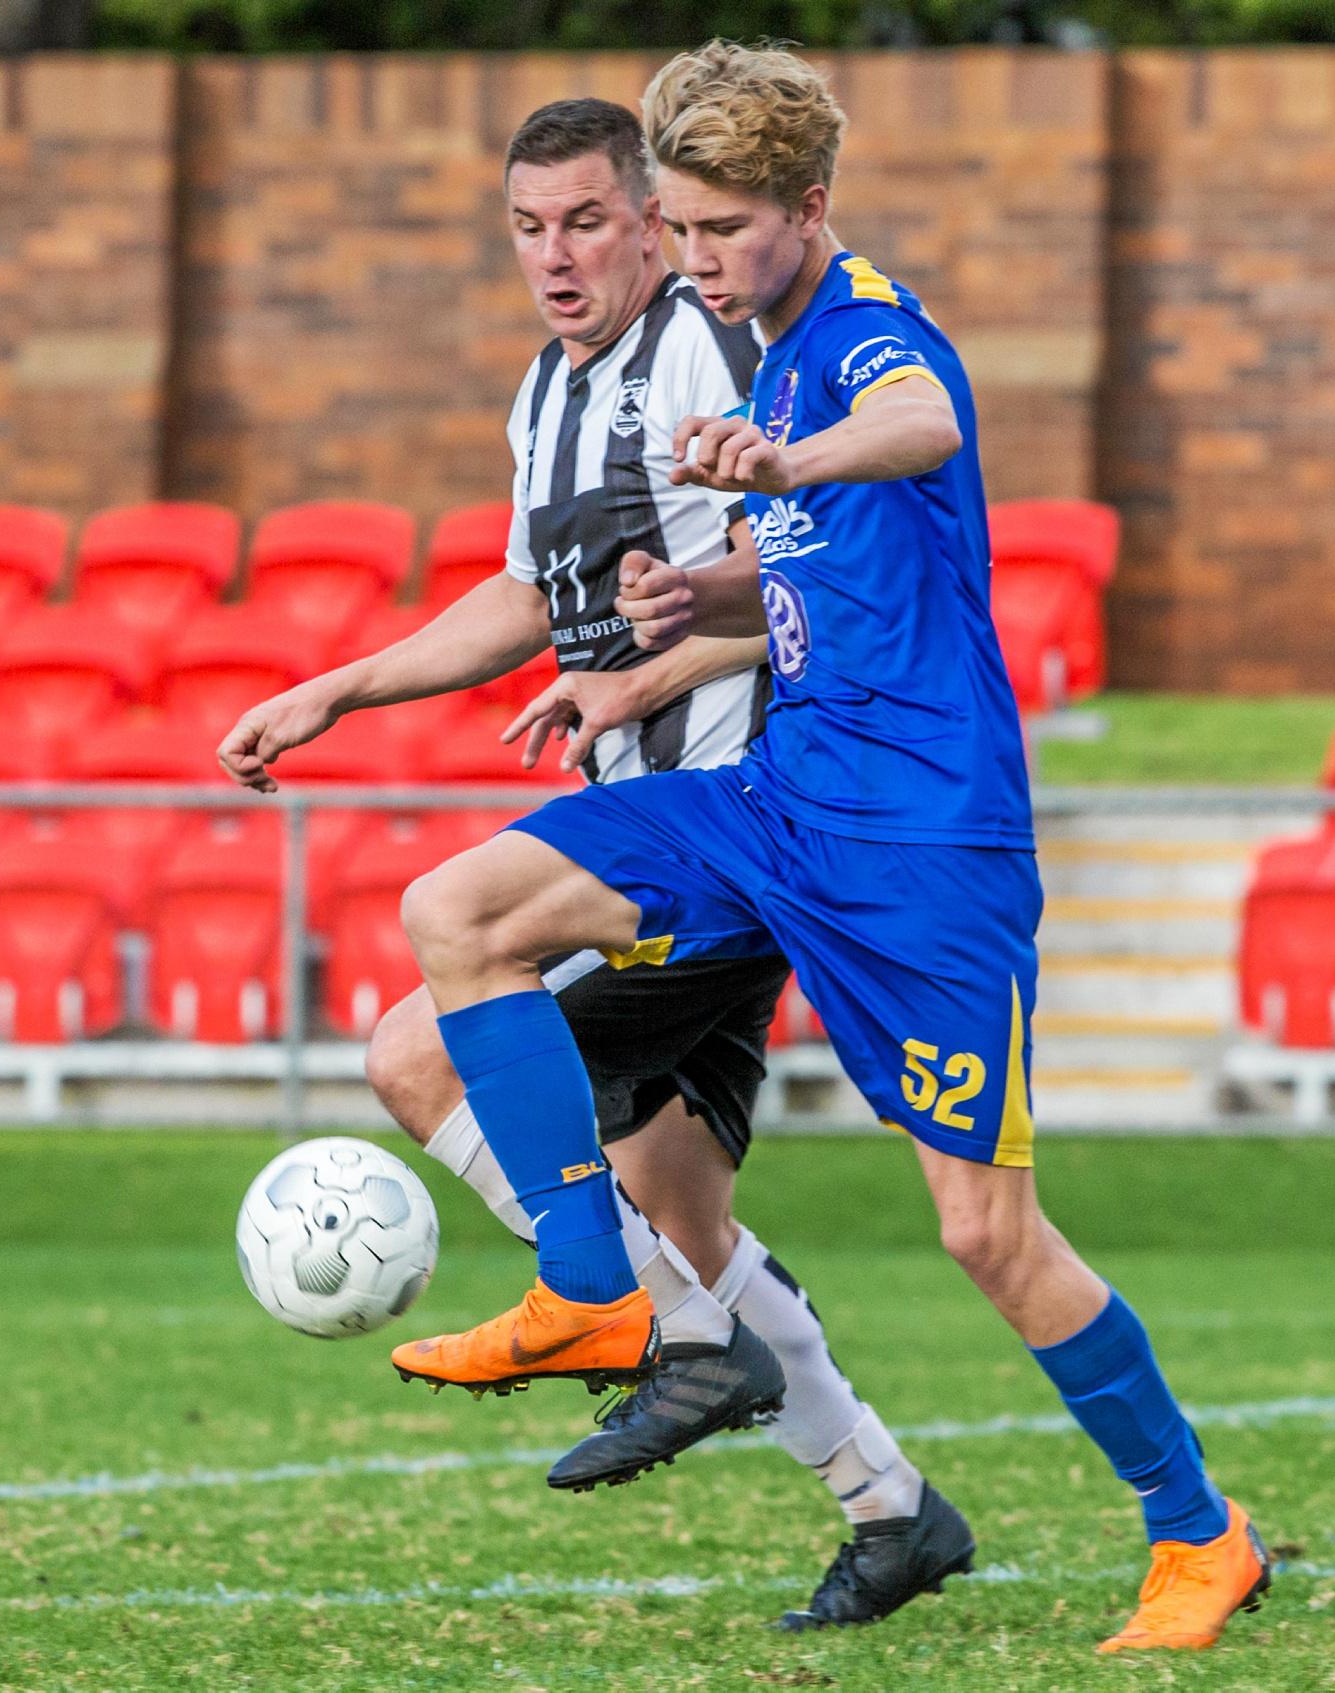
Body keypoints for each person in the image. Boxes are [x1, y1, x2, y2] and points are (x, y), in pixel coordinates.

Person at [389, 43, 1272, 1655]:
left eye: (724, 229)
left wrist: (788, 460)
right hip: (778, 799)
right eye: (682, 227)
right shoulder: (764, 342)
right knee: (456, 910)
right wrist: (684, 615)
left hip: (922, 844)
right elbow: (808, 569)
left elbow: (921, 427)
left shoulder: (861, 335)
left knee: (983, 1234)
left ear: (808, 205)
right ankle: (594, 1291)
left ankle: (1197, 1531)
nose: (697, 260)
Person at [216, 95, 969, 1631]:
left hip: (728, 827)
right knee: (674, 1202)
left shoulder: (705, 347)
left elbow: (812, 547)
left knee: (420, 1044)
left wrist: (653, 660)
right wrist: (340, 685)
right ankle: (889, 1509)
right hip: (665, 838)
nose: (554, 257)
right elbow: (519, 590)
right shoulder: (547, 395)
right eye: (525, 227)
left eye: (584, 222)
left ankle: (666, 1334)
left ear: (650, 222)